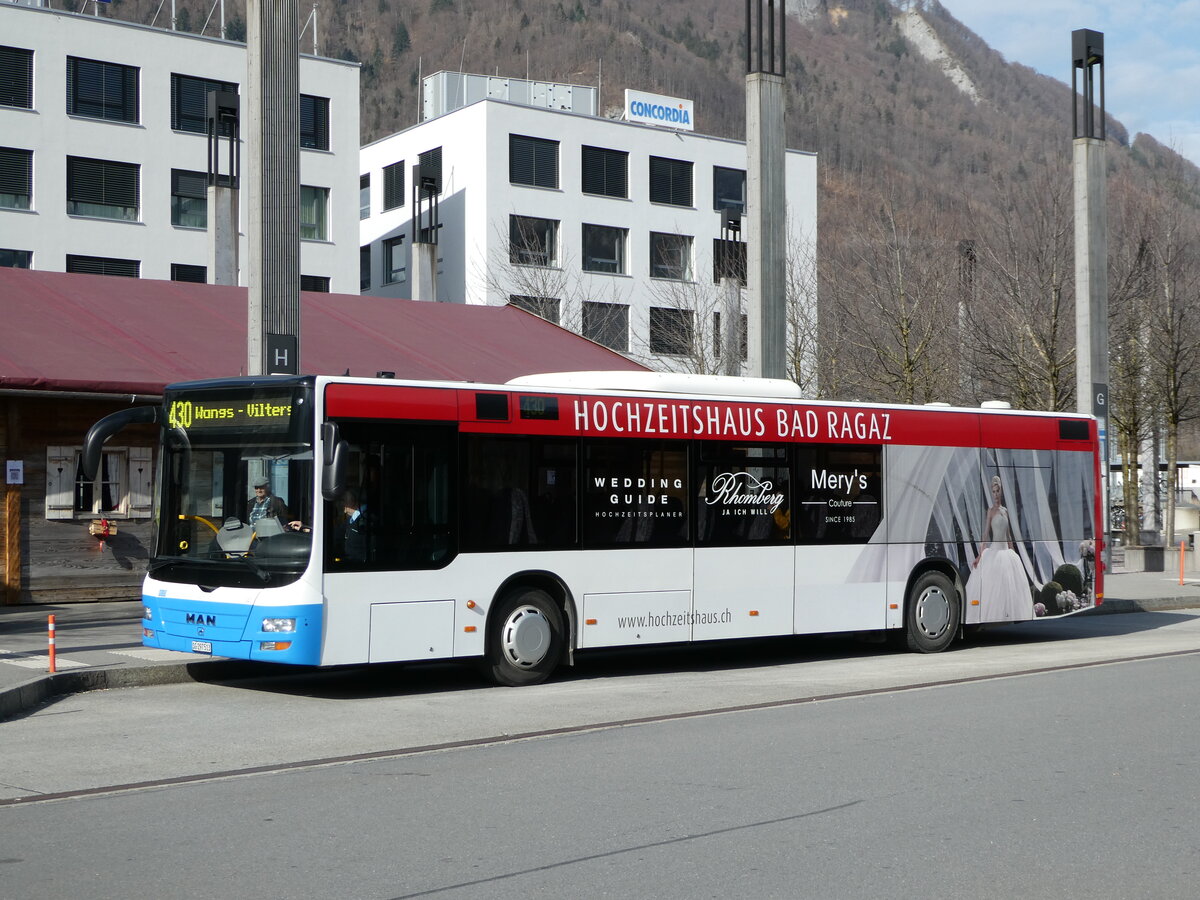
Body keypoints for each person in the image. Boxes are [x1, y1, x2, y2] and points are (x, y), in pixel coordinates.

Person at [966, 475, 1033, 621]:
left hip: (1006, 553)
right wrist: (979, 555)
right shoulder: (990, 511)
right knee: (994, 589)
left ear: (1001, 491)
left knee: (1008, 588)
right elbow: (985, 534)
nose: (996, 494)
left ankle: (1007, 615)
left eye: (998, 491)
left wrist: (1014, 554)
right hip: (994, 553)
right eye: (993, 492)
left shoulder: (1005, 510)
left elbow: (1009, 536)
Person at [337, 488, 369, 562]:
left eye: (344, 500)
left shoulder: (365, 518)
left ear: (354, 501)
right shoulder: (351, 519)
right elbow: (336, 533)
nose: (341, 504)